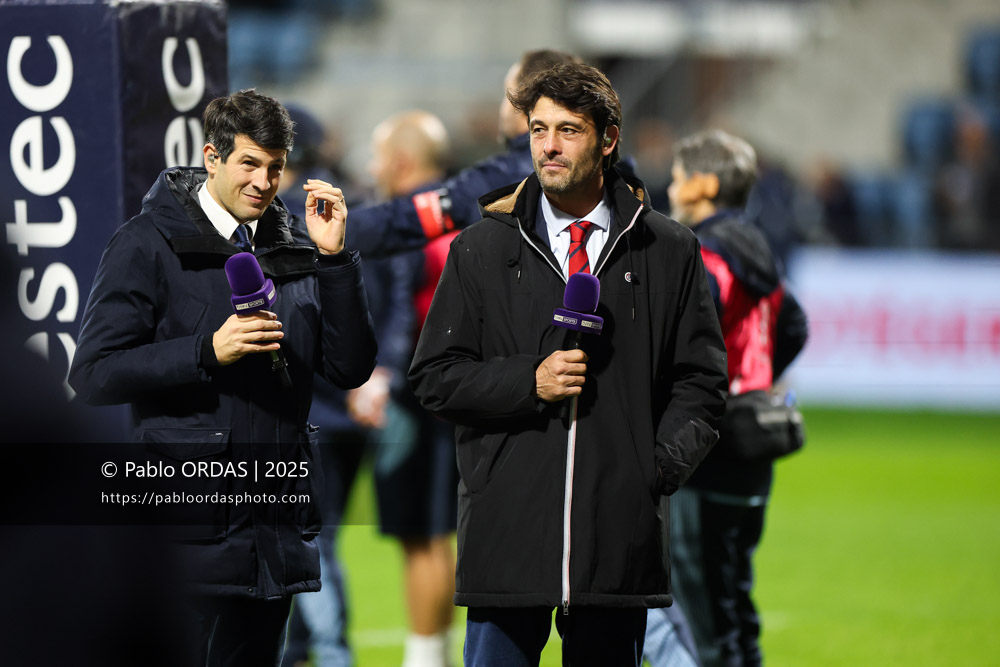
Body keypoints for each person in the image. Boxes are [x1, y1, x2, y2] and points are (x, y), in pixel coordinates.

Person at [408, 62, 729, 667]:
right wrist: (529, 381)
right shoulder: (480, 248)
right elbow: (434, 376)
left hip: (618, 539)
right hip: (506, 531)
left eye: (568, 130)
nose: (548, 146)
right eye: (537, 129)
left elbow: (703, 383)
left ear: (608, 139)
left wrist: (652, 472)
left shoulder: (670, 249)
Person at [68, 89, 378, 667]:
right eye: (250, 164)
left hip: (274, 532)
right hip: (184, 538)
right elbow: (93, 374)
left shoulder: (294, 243)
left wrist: (336, 260)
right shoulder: (145, 243)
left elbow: (349, 366)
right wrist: (206, 352)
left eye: (277, 167)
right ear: (212, 157)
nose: (264, 182)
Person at [654, 130, 809, 667]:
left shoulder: (705, 254)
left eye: (677, 177)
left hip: (707, 449)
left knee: (702, 621)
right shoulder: (758, 251)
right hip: (754, 443)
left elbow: (691, 328)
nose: (670, 188)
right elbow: (794, 324)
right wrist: (757, 378)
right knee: (734, 608)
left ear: (703, 184)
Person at [346, 49, 582, 257]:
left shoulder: (494, 183)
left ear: (524, 105)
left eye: (507, 95)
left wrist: (327, 229)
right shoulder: (609, 177)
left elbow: (402, 221)